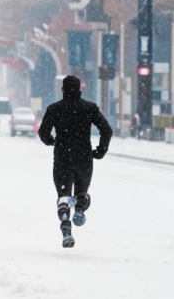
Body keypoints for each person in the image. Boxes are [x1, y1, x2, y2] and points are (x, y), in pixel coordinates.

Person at [38, 75, 112, 248]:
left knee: (63, 195)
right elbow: (106, 130)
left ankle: (66, 227)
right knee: (81, 192)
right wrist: (101, 150)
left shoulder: (54, 109)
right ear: (80, 89)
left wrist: (51, 141)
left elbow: (43, 132)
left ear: (62, 90)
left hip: (63, 157)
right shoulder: (89, 108)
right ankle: (79, 208)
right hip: (84, 158)